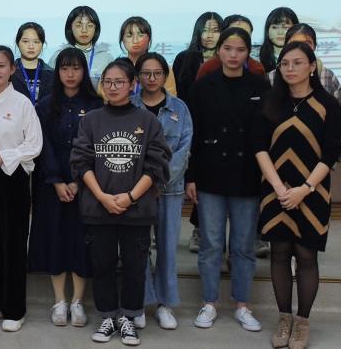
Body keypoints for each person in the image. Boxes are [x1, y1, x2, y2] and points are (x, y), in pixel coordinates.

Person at [71, 60, 170, 347]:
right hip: (98, 207)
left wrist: (130, 197)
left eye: (119, 82)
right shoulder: (91, 120)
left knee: (135, 267)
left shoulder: (147, 121)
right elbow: (80, 162)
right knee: (102, 265)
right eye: (108, 82)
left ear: (132, 85)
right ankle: (107, 317)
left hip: (136, 209)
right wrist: (102, 196)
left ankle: (128, 317)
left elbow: (157, 166)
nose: (112, 87)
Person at [253, 42, 341, 349]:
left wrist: (304, 189)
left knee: (306, 254)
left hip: (313, 191)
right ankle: (284, 319)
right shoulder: (270, 101)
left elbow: (331, 152)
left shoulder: (326, 104)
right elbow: (259, 146)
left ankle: (302, 322)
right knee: (279, 252)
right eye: (285, 64)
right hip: (275, 191)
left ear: (312, 66)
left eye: (297, 62)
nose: (290, 69)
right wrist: (280, 189)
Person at [185, 27, 269, 333]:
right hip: (210, 174)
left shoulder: (260, 85)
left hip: (247, 174)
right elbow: (193, 135)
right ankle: (209, 303)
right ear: (219, 50)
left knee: (243, 246)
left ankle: (242, 305)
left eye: (240, 49)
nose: (234, 55)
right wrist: (191, 177)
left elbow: (265, 133)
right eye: (228, 48)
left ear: (248, 53)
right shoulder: (203, 86)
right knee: (211, 245)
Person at [28, 47, 101, 328]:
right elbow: (42, 146)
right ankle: (59, 300)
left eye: (76, 68)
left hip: (88, 185)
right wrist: (58, 180)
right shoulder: (45, 105)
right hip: (52, 185)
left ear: (84, 71)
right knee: (56, 240)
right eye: (64, 68)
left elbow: (97, 147)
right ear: (57, 72)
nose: (70, 74)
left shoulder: (96, 105)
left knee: (81, 241)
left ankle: (78, 301)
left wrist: (79, 181)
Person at [0, 46, 43, 333]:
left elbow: (34, 145)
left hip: (13, 178)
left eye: (1, 65)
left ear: (12, 69)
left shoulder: (23, 103)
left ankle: (15, 309)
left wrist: (2, 157)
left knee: (13, 246)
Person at [132, 53, 193, 330]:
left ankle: (165, 304)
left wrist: (158, 182)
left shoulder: (180, 108)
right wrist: (143, 184)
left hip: (170, 190)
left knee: (168, 248)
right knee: (139, 246)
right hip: (136, 191)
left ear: (165, 76)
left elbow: (183, 151)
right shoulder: (129, 106)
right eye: (146, 73)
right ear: (138, 77)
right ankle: (142, 302)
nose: (152, 78)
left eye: (157, 73)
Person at [276, 24, 341, 162]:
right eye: (294, 43)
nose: (300, 48)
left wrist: (337, 156)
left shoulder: (327, 76)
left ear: (315, 47)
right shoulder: (271, 77)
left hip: (319, 158)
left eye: (307, 43)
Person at [48, 6, 114, 87]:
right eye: (78, 25)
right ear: (70, 27)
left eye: (89, 25)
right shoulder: (59, 56)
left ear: (96, 29)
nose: (84, 30)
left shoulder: (106, 58)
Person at [112, 16, 176, 96]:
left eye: (140, 35)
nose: (135, 40)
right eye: (129, 36)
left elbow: (171, 98)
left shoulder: (161, 67)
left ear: (149, 38)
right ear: (122, 39)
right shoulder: (114, 68)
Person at [172, 12, 222, 101]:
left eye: (215, 31)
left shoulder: (227, 59)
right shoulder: (183, 58)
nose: (210, 36)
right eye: (205, 30)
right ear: (198, 32)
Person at [12, 22, 53, 104]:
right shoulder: (9, 73)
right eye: (25, 41)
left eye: (36, 42)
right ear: (17, 43)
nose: (31, 46)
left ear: (42, 44)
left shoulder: (52, 74)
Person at [257, 7, 299, 73]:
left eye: (286, 27)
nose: (280, 32)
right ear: (267, 30)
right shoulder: (255, 56)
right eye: (275, 27)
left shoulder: (303, 56)